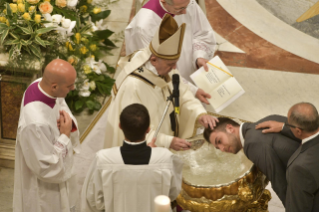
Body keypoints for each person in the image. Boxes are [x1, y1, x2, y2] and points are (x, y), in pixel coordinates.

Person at [104, 14, 218, 151]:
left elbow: (183, 94)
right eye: (171, 64)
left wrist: (200, 114)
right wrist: (167, 142)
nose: (174, 68)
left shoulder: (164, 67)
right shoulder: (133, 86)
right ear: (153, 60)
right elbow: (133, 130)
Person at [82, 103, 183, 212]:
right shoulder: (166, 158)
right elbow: (173, 194)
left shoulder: (103, 159)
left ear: (120, 126)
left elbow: (93, 200)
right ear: (148, 129)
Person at [13, 59, 80, 212]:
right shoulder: (35, 123)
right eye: (70, 86)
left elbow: (60, 103)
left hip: (48, 146)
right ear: (54, 86)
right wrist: (64, 135)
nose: (73, 88)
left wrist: (67, 122)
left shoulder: (40, 84)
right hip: (43, 185)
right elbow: (45, 167)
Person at [125, 0, 216, 104]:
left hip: (189, 71)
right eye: (179, 9)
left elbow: (202, 34)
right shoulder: (143, 28)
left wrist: (199, 56)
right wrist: (191, 90)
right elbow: (153, 69)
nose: (185, 12)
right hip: (164, 90)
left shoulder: (185, 3)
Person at [203, 115, 301, 206]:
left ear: (230, 128)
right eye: (218, 147)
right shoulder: (268, 119)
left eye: (219, 141)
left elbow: (280, 183)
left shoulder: (251, 144)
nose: (222, 149)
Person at [255, 102, 319, 212]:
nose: (287, 124)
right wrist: (284, 127)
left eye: (289, 124)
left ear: (298, 131)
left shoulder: (300, 168)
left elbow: (298, 208)